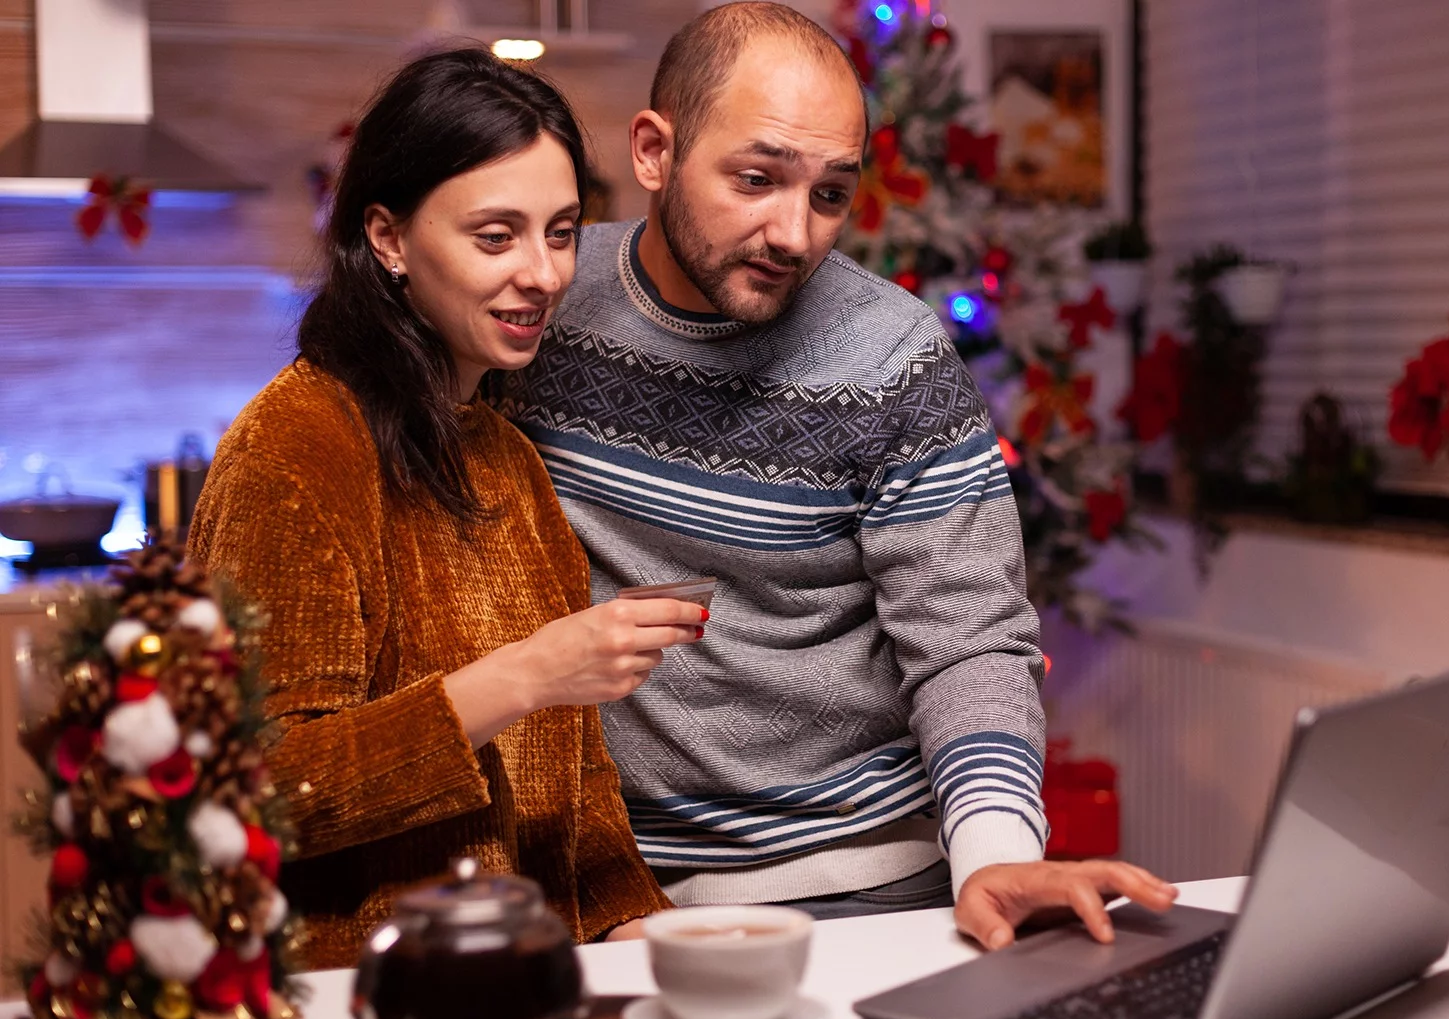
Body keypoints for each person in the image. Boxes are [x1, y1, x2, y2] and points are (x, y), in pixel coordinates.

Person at [491, 3, 1175, 951]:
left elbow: (971, 640)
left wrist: (994, 851)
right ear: (654, 152)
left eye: (829, 195)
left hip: (859, 883)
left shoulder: (892, 358)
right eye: (757, 178)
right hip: (596, 890)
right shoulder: (540, 304)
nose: (793, 233)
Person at [187, 48, 706, 969]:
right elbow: (257, 790)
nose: (545, 274)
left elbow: (579, 792)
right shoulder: (294, 448)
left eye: (560, 231)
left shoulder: (503, 452)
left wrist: (650, 939)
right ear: (387, 239)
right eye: (495, 236)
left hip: (530, 985)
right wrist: (528, 674)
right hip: (362, 998)